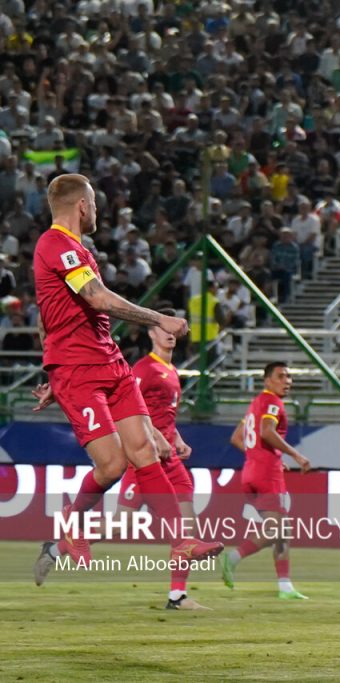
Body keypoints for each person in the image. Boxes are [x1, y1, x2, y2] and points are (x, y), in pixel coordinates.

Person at [31, 175, 222, 585]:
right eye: (95, 203)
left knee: (147, 450)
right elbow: (97, 299)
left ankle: (181, 541)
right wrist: (159, 317)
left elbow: (52, 315)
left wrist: (50, 368)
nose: (98, 211)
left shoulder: (79, 250)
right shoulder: (55, 244)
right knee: (114, 464)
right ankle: (71, 524)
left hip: (109, 363)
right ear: (82, 205)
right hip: (79, 371)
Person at [113, 311, 208, 610]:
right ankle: (63, 545)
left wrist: (175, 437)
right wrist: (157, 437)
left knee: (187, 529)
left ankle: (177, 596)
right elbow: (125, 408)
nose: (169, 332)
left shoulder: (170, 370)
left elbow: (162, 414)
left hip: (170, 461)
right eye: (161, 327)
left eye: (172, 328)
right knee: (120, 524)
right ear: (151, 333)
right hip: (144, 458)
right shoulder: (143, 369)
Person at [224, 362, 312, 600]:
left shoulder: (255, 403)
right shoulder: (273, 402)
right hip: (267, 474)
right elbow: (266, 431)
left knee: (282, 530)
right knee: (278, 530)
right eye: (281, 376)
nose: (288, 381)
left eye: (289, 376)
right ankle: (233, 558)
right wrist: (295, 454)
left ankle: (285, 587)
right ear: (267, 380)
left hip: (250, 471)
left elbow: (236, 438)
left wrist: (259, 455)